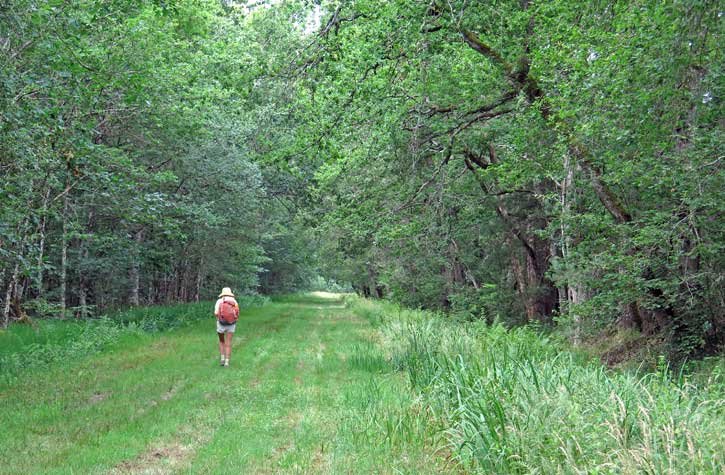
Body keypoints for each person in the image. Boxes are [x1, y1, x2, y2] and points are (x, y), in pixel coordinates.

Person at [214, 287, 239, 367]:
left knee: (222, 341)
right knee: (228, 343)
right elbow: (237, 313)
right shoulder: (234, 301)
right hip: (231, 324)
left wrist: (220, 318)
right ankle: (227, 362)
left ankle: (222, 359)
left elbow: (216, 313)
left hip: (221, 323)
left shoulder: (219, 301)